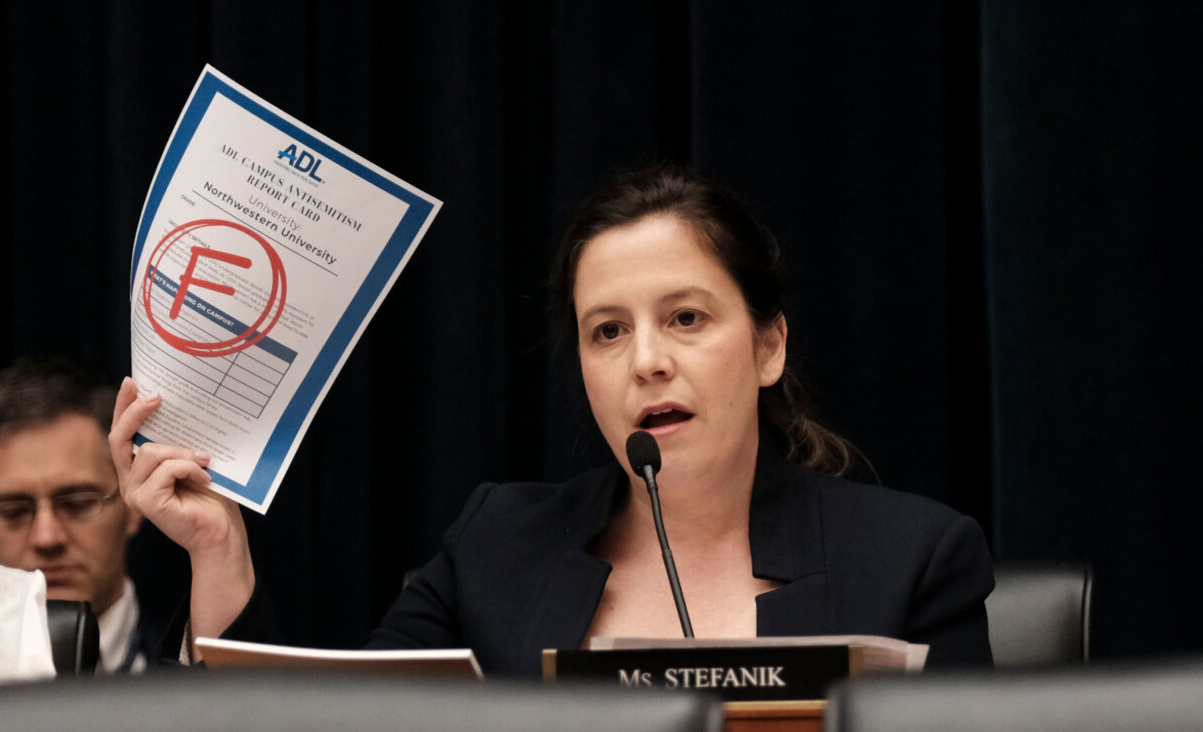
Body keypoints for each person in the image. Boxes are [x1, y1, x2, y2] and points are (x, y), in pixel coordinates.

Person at [110, 164, 994, 675]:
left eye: (686, 318)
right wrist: (217, 556)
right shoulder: (498, 545)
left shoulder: (911, 561)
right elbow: (335, 726)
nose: (647, 358)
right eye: (607, 331)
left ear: (768, 348)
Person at [0, 357, 160, 673]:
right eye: (13, 511)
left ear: (132, 504)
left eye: (78, 503)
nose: (47, 537)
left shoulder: (205, 668)